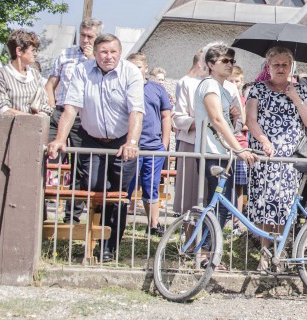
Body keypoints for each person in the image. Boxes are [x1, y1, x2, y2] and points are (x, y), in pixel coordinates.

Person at [46, 33, 144, 262]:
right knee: (93, 185)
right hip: (92, 137)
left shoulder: (131, 72)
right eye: (103, 52)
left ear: (120, 53)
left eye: (113, 52)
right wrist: (60, 138)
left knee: (119, 196)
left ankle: (108, 247)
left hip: (122, 140)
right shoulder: (83, 70)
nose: (108, 57)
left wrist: (132, 142)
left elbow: (136, 111)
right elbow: (71, 108)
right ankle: (89, 237)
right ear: (96, 53)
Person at [245, 46, 307, 271]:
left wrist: (295, 97)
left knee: (285, 206)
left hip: (289, 158)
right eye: (276, 64)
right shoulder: (257, 89)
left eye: (285, 64)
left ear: (291, 67)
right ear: (268, 67)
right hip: (265, 155)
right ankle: (265, 254)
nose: (280, 68)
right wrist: (264, 140)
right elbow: (251, 120)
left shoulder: (301, 90)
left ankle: (281, 252)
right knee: (265, 205)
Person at [192, 44, 257, 236]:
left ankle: (209, 251)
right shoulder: (210, 85)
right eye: (225, 61)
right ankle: (206, 253)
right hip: (212, 152)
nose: (230, 65)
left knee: (221, 205)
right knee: (216, 205)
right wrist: (239, 149)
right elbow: (217, 120)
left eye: (232, 61)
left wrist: (236, 117)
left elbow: (231, 124)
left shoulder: (224, 89)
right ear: (211, 64)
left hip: (222, 152)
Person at [45, 18, 102, 222]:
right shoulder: (65, 54)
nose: (85, 40)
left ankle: (72, 216)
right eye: (83, 35)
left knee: (80, 166)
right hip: (60, 111)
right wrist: (51, 108)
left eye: (90, 36)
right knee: (47, 156)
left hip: (82, 117)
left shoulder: (99, 59)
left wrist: (90, 59)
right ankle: (40, 210)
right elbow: (51, 84)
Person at [126, 53, 173, 236]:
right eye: (131, 67)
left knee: (151, 185)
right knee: (127, 187)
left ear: (145, 68)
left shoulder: (157, 89)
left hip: (153, 147)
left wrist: (164, 144)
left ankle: (153, 225)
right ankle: (119, 225)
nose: (135, 70)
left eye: (138, 66)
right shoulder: (124, 87)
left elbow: (166, 116)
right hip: (131, 147)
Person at [171, 50, 208, 214]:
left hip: (214, 144)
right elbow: (178, 117)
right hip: (191, 142)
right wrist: (202, 122)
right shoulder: (186, 82)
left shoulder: (222, 84)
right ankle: (190, 237)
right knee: (189, 196)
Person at [0, 29, 51, 115]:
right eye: (33, 50)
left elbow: (44, 105)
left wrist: (41, 114)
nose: (35, 54)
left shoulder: (36, 75)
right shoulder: (0, 74)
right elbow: (2, 108)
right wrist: (30, 118)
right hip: (7, 126)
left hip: (33, 127)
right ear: (19, 51)